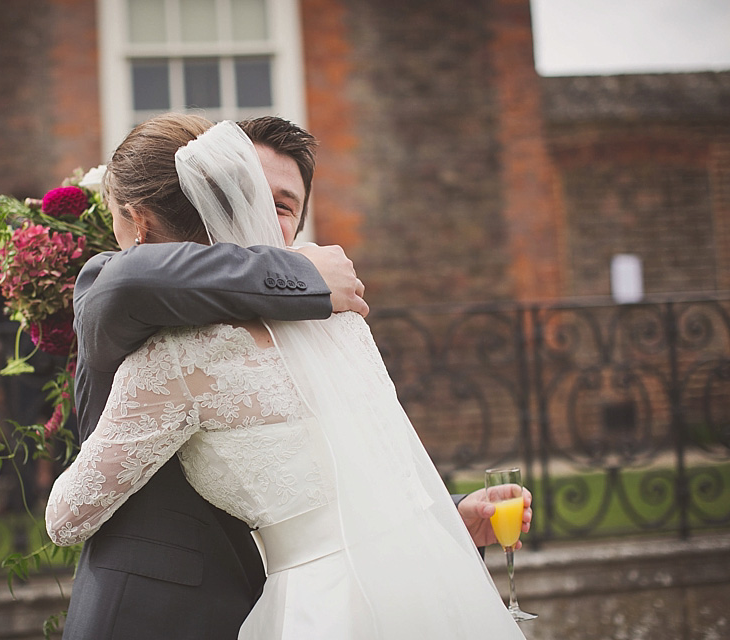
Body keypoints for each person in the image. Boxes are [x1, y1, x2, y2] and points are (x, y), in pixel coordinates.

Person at [49, 114, 530, 638]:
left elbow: (370, 464)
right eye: (255, 195)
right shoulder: (335, 310)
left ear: (138, 223)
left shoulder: (200, 354)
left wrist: (451, 513)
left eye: (284, 205)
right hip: (176, 603)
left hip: (320, 600)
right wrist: (306, 277)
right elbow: (127, 283)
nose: (263, 216)